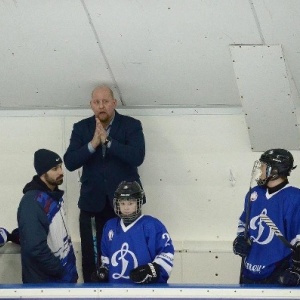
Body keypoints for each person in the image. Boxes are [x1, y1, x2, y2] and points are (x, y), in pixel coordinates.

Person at [64, 85, 146, 282]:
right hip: (92, 205)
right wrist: (92, 144)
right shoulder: (81, 128)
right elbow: (70, 161)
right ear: (91, 105)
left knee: (126, 253)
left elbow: (137, 156)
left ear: (114, 103)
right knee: (92, 259)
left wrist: (108, 142)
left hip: (125, 206)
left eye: (105, 101)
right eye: (96, 102)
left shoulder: (131, 125)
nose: (101, 106)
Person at [233, 148, 300, 286]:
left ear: (274, 171)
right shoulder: (254, 194)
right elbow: (243, 223)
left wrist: (296, 270)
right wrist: (240, 239)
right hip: (249, 271)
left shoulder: (294, 198)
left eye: (263, 166)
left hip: (279, 272)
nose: (260, 170)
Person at [17, 149, 78, 283]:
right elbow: (35, 248)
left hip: (63, 280)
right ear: (43, 173)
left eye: (61, 166)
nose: (61, 172)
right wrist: (60, 270)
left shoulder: (54, 197)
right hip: (46, 284)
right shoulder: (32, 202)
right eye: (55, 169)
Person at [94, 181, 174, 284]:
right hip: (115, 290)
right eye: (122, 203)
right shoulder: (110, 226)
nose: (126, 208)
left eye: (130, 203)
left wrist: (152, 269)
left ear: (138, 203)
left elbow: (166, 253)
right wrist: (104, 271)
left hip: (146, 292)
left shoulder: (152, 225)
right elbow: (106, 258)